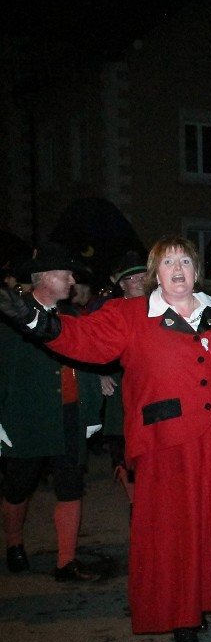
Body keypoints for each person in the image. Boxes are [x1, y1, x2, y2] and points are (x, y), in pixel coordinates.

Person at [0, 235, 211, 642]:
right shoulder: (131, 315)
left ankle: (202, 600)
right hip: (165, 445)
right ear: (156, 275)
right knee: (174, 537)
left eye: (185, 261)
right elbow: (82, 339)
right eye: (168, 263)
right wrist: (41, 323)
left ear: (196, 270)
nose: (179, 270)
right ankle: (182, 621)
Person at [0, 245, 103, 582]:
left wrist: (91, 414)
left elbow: (86, 365)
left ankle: (66, 561)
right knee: (18, 486)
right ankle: (14, 542)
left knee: (71, 487)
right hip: (25, 418)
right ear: (44, 277)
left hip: (70, 415)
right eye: (66, 274)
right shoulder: (11, 317)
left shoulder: (73, 317)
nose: (72, 280)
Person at [99, 251, 149, 511]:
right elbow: (91, 345)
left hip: (154, 389)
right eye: (133, 278)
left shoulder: (161, 307)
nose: (140, 281)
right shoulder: (112, 310)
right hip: (122, 385)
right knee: (125, 448)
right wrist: (101, 373)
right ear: (122, 284)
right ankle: (135, 504)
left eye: (144, 276)